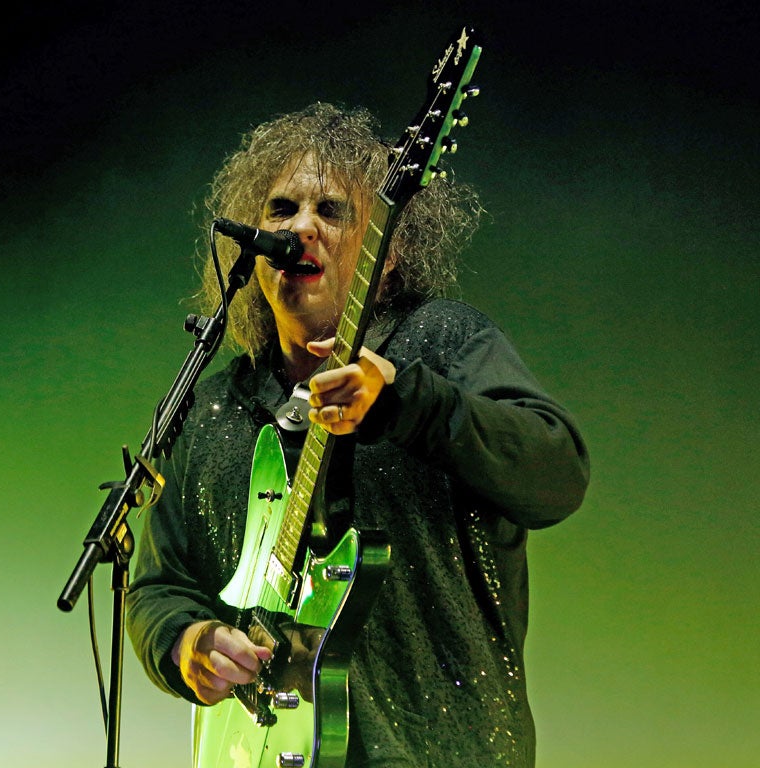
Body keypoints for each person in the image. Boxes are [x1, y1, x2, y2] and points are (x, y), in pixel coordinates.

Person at [126, 102, 589, 767]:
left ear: (389, 250)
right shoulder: (213, 408)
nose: (301, 227)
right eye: (281, 210)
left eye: (332, 211)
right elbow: (157, 583)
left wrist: (410, 403)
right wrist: (184, 640)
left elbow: (558, 473)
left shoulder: (441, 343)